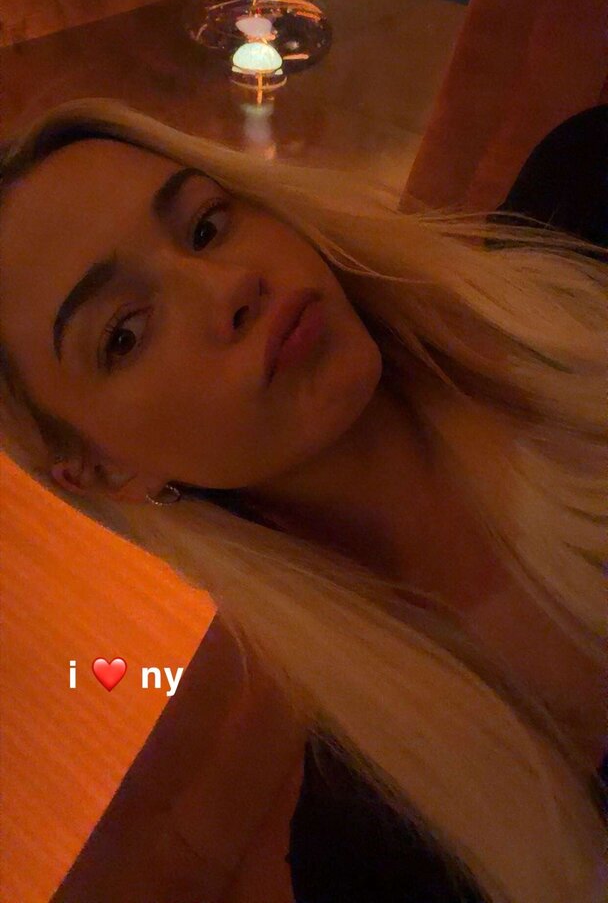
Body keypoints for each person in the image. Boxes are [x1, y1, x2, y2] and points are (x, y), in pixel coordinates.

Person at [0, 98, 606, 903]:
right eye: (125, 334)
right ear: (102, 470)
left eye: (206, 226)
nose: (230, 285)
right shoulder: (373, 851)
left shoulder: (588, 198)